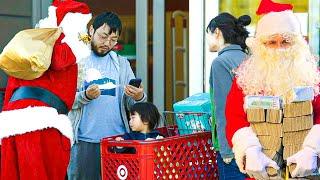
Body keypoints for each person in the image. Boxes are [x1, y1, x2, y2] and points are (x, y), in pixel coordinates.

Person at [225, 0, 320, 179]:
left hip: (305, 171)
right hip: (263, 171)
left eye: (286, 41)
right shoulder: (247, 78)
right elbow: (234, 117)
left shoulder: (312, 76)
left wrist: (312, 149)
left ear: (297, 44)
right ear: (261, 45)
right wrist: (249, 150)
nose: (279, 49)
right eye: (272, 42)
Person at [0, 0, 91, 179]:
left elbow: (11, 88)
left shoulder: (32, 47)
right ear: (76, 23)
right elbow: (62, 59)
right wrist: (82, 40)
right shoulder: (70, 44)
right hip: (44, 124)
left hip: (12, 121)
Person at [68, 12, 147, 180]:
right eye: (103, 37)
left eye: (113, 40)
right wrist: (85, 96)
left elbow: (132, 103)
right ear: (91, 30)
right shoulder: (76, 61)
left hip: (117, 140)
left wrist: (139, 97)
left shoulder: (122, 63)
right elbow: (64, 101)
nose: (106, 44)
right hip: (85, 142)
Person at [206, 12, 251, 179]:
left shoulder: (220, 63)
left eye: (208, 34)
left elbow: (223, 109)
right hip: (252, 142)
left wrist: (225, 150)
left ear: (217, 32)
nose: (208, 40)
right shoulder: (247, 58)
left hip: (232, 146)